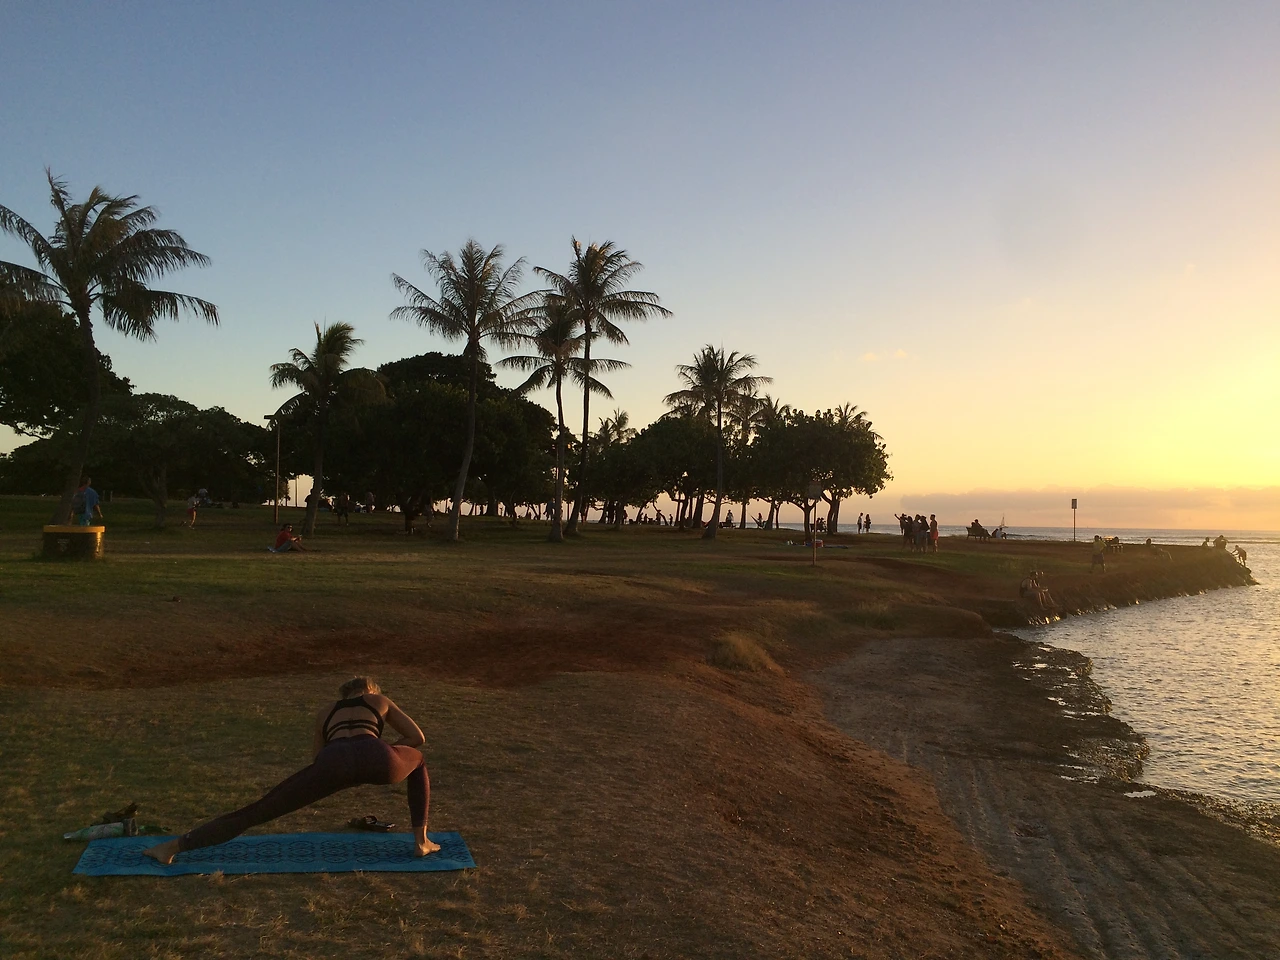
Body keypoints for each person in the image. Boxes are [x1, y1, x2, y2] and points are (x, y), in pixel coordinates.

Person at [143, 677, 437, 865]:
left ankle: (172, 847)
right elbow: (417, 738)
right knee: (419, 761)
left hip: (332, 760)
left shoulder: (326, 712)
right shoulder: (379, 700)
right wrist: (383, 753)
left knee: (258, 810)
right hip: (378, 754)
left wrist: (343, 771)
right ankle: (420, 842)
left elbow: (318, 758)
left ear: (344, 694)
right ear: (370, 690)